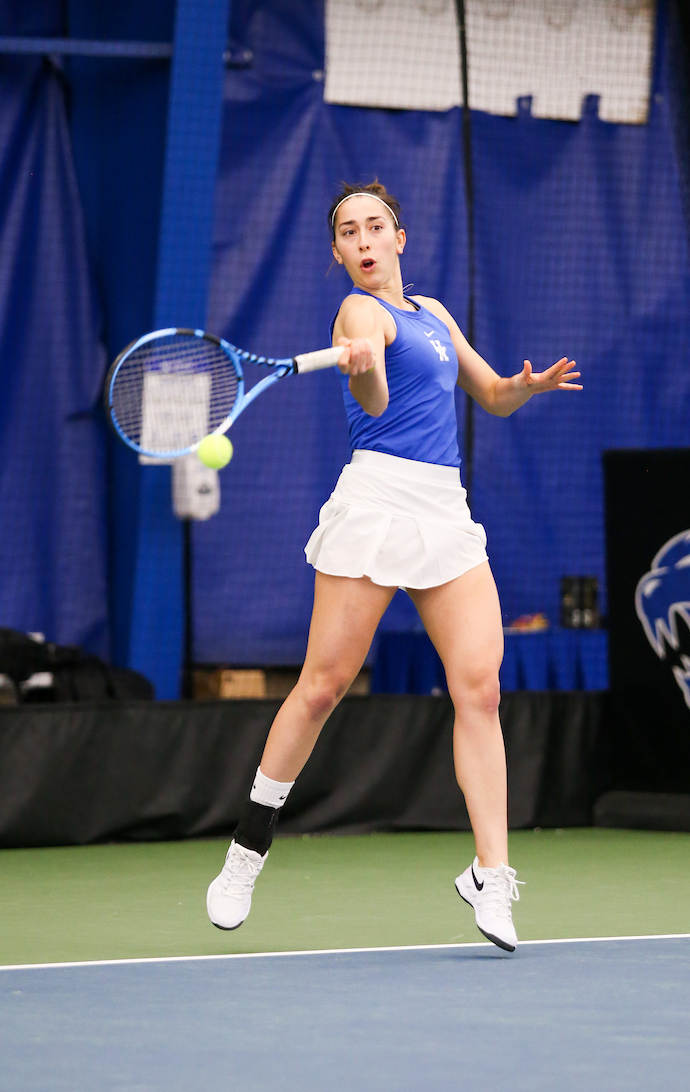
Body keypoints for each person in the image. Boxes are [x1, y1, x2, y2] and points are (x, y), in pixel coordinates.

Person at [207, 181, 581, 951]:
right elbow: (375, 402)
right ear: (338, 252)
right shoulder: (357, 313)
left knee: (480, 688)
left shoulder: (434, 313)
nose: (365, 240)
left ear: (399, 237)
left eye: (375, 226)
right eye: (349, 232)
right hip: (377, 501)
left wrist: (526, 386)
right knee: (322, 687)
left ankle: (493, 874)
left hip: (444, 510)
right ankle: (247, 851)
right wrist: (365, 364)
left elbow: (489, 393)